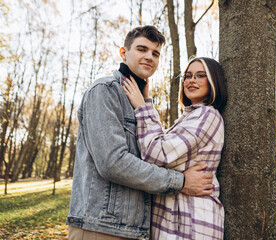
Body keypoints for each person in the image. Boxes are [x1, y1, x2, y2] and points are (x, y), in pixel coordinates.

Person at [66, 26, 215, 240]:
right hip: (99, 227)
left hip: (133, 229)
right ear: (124, 53)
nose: (149, 57)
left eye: (155, 53)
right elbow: (113, 163)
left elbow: (155, 153)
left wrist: (145, 107)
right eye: (142, 49)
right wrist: (181, 182)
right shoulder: (105, 91)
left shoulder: (139, 102)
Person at [122, 57, 227, 239]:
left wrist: (141, 106)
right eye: (188, 76)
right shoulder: (190, 116)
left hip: (193, 219)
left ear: (213, 81)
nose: (191, 80)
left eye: (200, 75)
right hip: (174, 216)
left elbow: (157, 154)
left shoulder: (207, 114)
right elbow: (162, 146)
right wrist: (146, 101)